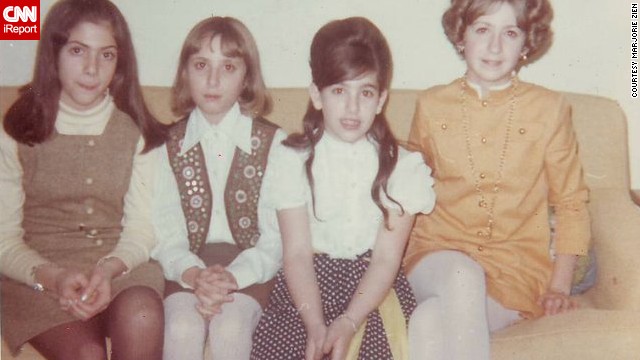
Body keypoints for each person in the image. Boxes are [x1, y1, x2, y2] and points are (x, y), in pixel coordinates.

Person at [404, 0, 591, 359]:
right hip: (436, 256)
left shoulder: (549, 110)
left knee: (428, 323)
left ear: (526, 43)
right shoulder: (431, 105)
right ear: (462, 36)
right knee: (461, 275)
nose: (494, 47)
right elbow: (411, 192)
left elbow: (571, 203)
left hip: (515, 270)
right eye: (482, 30)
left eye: (510, 33)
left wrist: (559, 285)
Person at [250, 17, 436, 360]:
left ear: (381, 100)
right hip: (305, 296)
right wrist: (316, 325)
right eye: (339, 90)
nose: (353, 108)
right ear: (316, 96)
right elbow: (296, 254)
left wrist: (349, 321)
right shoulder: (291, 160)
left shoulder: (402, 167)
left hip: (370, 297)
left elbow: (385, 259)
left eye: (365, 92)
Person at [0, 0, 168, 359]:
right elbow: (3, 239)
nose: (92, 69)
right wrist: (53, 276)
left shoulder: (136, 131)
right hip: (40, 277)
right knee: (87, 354)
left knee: (141, 316)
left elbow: (142, 228)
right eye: (78, 51)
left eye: (106, 55)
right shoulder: (16, 131)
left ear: (119, 62)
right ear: (53, 53)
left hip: (120, 269)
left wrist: (108, 269)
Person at [150, 16, 285, 360]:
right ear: (185, 74)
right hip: (186, 269)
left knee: (230, 326)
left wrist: (232, 278)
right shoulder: (166, 145)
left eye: (228, 66)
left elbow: (275, 238)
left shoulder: (274, 143)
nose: (213, 80)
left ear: (246, 79)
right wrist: (195, 275)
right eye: (201, 65)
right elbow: (164, 232)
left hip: (253, 270)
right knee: (182, 327)